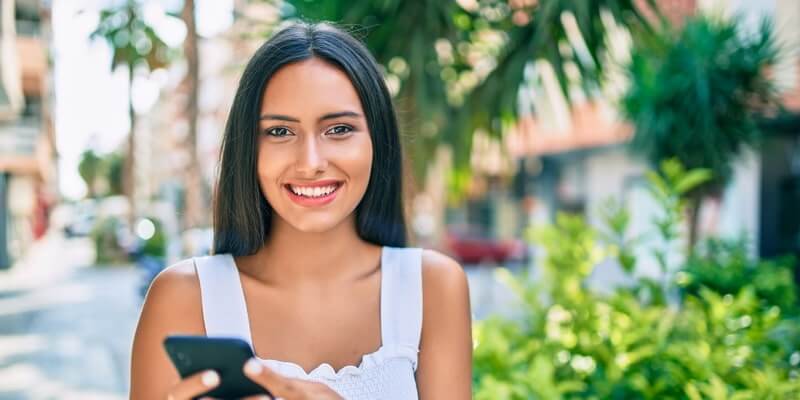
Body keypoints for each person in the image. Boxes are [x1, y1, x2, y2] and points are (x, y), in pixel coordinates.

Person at [129, 22, 472, 400]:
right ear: (248, 148)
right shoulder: (182, 297)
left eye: (339, 129)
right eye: (280, 131)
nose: (310, 163)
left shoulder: (432, 288)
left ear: (377, 140)